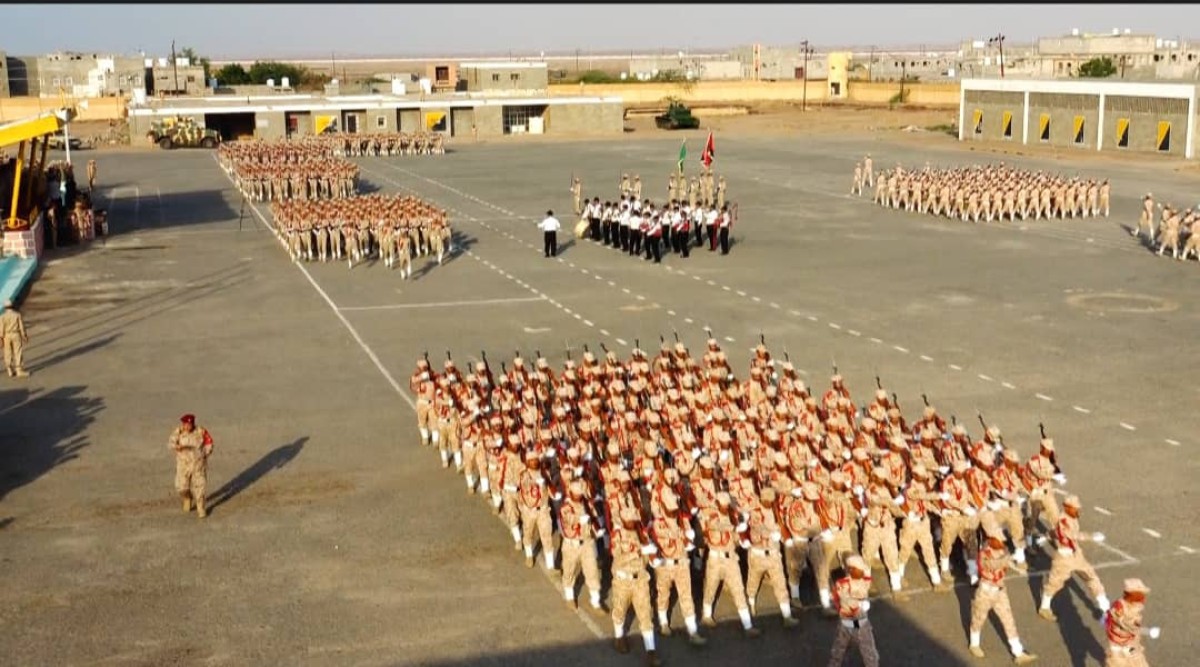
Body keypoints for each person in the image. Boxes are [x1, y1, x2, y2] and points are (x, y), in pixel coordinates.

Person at [967, 528, 1038, 663]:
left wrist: (1017, 568)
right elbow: (993, 564)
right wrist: (1009, 558)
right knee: (978, 619)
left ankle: (1018, 652)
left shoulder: (1003, 550)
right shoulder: (984, 553)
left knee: (1008, 620)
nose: (1002, 541)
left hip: (1000, 591)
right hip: (985, 592)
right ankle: (974, 644)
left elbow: (1006, 562)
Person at [1038, 495, 1111, 620]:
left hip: (1076, 555)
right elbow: (1073, 535)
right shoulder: (1064, 521)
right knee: (1055, 584)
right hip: (1064, 558)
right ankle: (1044, 608)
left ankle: (1105, 608)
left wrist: (1047, 537)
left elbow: (1055, 532)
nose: (1077, 510)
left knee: (1092, 577)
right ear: (1066, 507)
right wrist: (1091, 536)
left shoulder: (1071, 518)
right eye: (1074, 508)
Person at [827, 554, 878, 667]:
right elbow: (845, 599)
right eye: (860, 569)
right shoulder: (842, 584)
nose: (863, 571)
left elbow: (866, 580)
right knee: (838, 652)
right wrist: (859, 604)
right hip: (848, 624)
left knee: (869, 653)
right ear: (851, 569)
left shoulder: (864, 580)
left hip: (861, 622)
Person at [1104, 579, 1159, 667]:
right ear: (1132, 594)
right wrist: (1148, 631)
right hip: (1120, 646)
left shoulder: (1132, 605)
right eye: (1140, 594)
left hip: (1130, 643)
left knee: (1137, 659)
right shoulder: (1120, 609)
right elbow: (1128, 626)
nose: (1143, 597)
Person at [169, 414, 214, 518]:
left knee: (200, 487)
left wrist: (206, 452)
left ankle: (201, 508)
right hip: (183, 464)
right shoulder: (178, 431)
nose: (187, 426)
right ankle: (187, 497)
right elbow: (171, 442)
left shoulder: (200, 431)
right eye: (186, 424)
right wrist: (176, 446)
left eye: (189, 424)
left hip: (198, 463)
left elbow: (209, 442)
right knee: (181, 486)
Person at [1, 299, 30, 378]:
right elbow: (21, 326)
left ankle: (9, 369)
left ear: (5, 307)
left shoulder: (2, 316)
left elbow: (1, 329)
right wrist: (24, 336)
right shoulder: (17, 315)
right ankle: (19, 370)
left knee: (7, 352)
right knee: (17, 352)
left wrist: (1, 338)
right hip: (15, 334)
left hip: (6, 335)